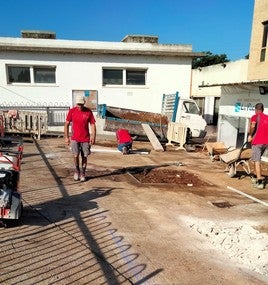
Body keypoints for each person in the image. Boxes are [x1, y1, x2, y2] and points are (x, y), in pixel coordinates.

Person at [64, 95, 96, 182]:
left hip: (85, 138)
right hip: (75, 138)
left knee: (84, 156)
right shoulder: (72, 111)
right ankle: (77, 171)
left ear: (84, 103)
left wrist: (93, 136)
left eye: (81, 104)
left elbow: (92, 124)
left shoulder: (88, 112)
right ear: (76, 104)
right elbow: (66, 124)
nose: (80, 106)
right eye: (78, 104)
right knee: (75, 155)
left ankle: (83, 173)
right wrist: (66, 137)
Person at [248, 102, 268, 189]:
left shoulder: (255, 117)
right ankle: (256, 176)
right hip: (266, 142)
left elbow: (253, 126)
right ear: (263, 109)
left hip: (257, 142)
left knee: (256, 160)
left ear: (256, 110)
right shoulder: (267, 117)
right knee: (257, 159)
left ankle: (259, 181)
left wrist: (250, 135)